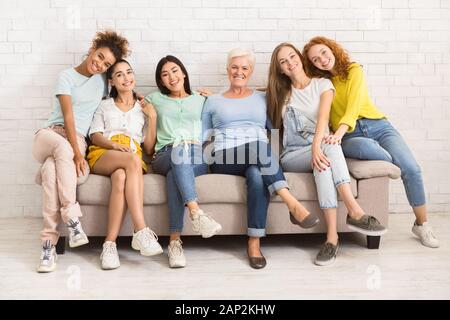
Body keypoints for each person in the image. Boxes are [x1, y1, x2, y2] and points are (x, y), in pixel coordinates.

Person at [303, 36, 439, 248]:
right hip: (351, 136)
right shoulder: (322, 85)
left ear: (331, 49)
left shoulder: (353, 69)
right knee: (367, 148)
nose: (321, 59)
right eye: (314, 60)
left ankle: (422, 224)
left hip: (378, 126)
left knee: (411, 168)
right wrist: (335, 135)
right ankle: (392, 162)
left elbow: (354, 105)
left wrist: (338, 131)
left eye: (323, 53)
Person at [266, 42, 387, 266]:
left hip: (320, 148)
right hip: (293, 155)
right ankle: (355, 212)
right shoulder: (280, 93)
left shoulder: (323, 84)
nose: (290, 63)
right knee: (326, 150)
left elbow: (323, 118)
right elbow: (245, 94)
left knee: (324, 160)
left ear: (300, 59)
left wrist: (316, 147)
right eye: (283, 62)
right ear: (281, 69)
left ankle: (332, 238)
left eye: (292, 57)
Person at [202, 48, 320, 269]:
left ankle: (254, 242)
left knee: (258, 175)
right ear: (227, 70)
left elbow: (286, 116)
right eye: (234, 67)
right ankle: (292, 203)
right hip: (224, 157)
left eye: (244, 68)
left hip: (257, 158)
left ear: (251, 71)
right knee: (259, 146)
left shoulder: (263, 98)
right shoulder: (213, 100)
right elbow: (202, 135)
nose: (239, 71)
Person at [32, 30, 130, 273]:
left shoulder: (101, 83)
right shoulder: (66, 76)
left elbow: (121, 88)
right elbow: (68, 117)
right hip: (50, 135)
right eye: (99, 56)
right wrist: (77, 153)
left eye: (106, 64)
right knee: (61, 149)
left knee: (50, 170)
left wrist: (135, 97)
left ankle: (48, 246)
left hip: (73, 144)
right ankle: (73, 219)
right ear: (92, 47)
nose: (99, 64)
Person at [145, 55, 222, 268]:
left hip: (197, 155)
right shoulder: (153, 100)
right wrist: (151, 118)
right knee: (177, 154)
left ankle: (174, 242)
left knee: (174, 175)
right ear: (161, 81)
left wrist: (216, 99)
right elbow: (148, 148)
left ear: (184, 73)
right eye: (165, 74)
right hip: (163, 155)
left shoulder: (201, 99)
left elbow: (222, 121)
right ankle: (196, 212)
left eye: (175, 70)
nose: (171, 77)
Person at [87, 60, 163, 270]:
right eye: (119, 75)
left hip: (132, 155)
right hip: (105, 151)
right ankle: (141, 230)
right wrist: (113, 145)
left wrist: (153, 117)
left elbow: (148, 149)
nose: (126, 78)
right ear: (111, 81)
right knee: (131, 160)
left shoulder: (143, 108)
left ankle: (109, 246)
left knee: (121, 176)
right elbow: (95, 135)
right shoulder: (105, 105)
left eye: (129, 72)